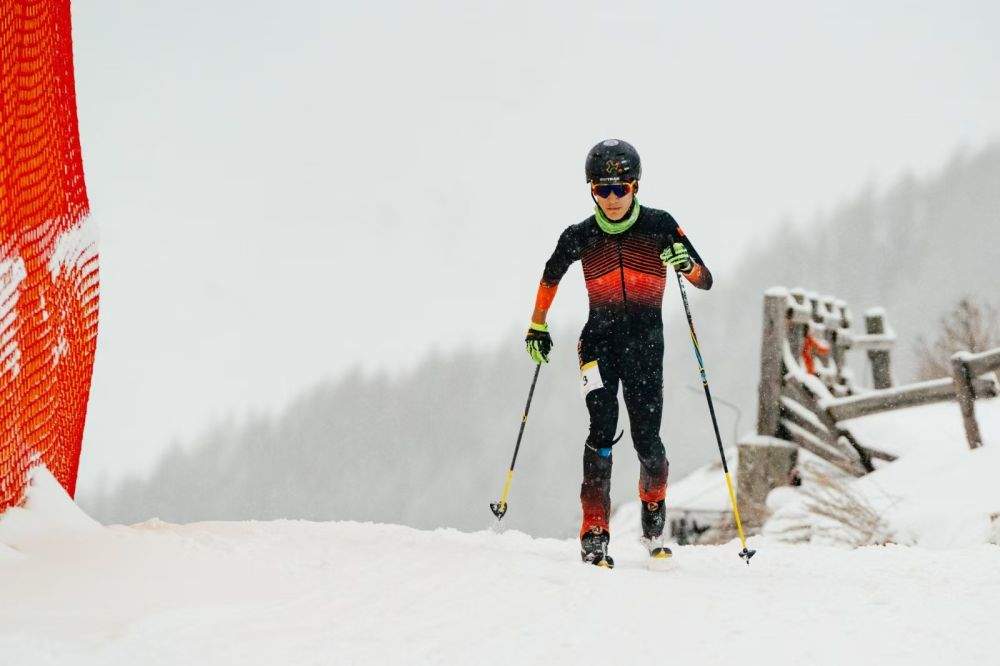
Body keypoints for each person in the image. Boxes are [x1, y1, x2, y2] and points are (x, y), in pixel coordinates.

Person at [524, 139, 713, 569]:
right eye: (601, 190)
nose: (611, 199)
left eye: (620, 189)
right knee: (601, 431)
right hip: (597, 345)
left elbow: (704, 279)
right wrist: (538, 323)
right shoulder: (580, 235)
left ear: (636, 186)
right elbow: (550, 276)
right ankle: (594, 532)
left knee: (648, 441)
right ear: (591, 190)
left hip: (646, 347)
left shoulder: (660, 225)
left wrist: (685, 265)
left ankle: (652, 513)